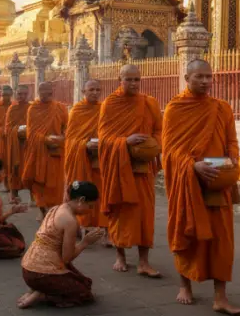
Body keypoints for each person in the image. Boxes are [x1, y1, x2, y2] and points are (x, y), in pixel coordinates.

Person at [163, 59, 240, 316]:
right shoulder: (175, 109)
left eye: (209, 77)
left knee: (222, 242)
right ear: (187, 78)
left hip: (217, 183)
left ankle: (221, 296)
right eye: (200, 76)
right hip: (188, 183)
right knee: (187, 235)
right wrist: (192, 166)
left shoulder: (222, 108)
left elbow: (231, 141)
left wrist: (232, 162)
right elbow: (169, 151)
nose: (206, 81)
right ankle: (185, 285)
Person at [98, 64, 163, 277]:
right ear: (120, 79)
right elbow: (104, 138)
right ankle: (120, 256)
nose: (134, 84)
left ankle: (144, 261)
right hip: (118, 167)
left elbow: (159, 130)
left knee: (145, 214)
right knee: (120, 210)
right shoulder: (110, 103)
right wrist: (125, 141)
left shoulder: (149, 103)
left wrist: (153, 145)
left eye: (137, 80)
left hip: (142, 168)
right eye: (129, 79)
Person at [18, 181, 105, 309]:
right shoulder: (70, 220)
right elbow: (66, 258)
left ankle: (36, 289)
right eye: (90, 206)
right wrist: (85, 242)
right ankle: (41, 294)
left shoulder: (56, 208)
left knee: (83, 282)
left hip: (27, 270)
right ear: (81, 200)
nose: (90, 211)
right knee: (84, 293)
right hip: (41, 275)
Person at [62, 80, 105, 233]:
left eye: (98, 90)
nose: (95, 93)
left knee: (102, 194)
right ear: (83, 91)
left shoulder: (104, 109)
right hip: (82, 158)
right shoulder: (76, 111)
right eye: (91, 89)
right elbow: (71, 139)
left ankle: (102, 227)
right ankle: (83, 224)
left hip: (99, 159)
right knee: (83, 193)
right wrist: (84, 145)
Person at [25, 82, 69, 217]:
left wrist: (62, 138)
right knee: (39, 184)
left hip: (56, 152)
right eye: (44, 92)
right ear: (39, 92)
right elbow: (31, 133)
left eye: (50, 92)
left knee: (56, 185)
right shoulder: (33, 109)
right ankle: (43, 210)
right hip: (38, 152)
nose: (48, 94)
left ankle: (54, 211)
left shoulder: (60, 108)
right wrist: (45, 139)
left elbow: (67, 127)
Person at [4, 85, 31, 201]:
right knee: (14, 168)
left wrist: (28, 131)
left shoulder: (31, 108)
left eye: (25, 94)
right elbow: (7, 128)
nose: (22, 96)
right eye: (20, 94)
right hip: (15, 144)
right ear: (16, 94)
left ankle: (33, 196)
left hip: (28, 144)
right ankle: (13, 194)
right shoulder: (12, 108)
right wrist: (17, 130)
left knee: (30, 168)